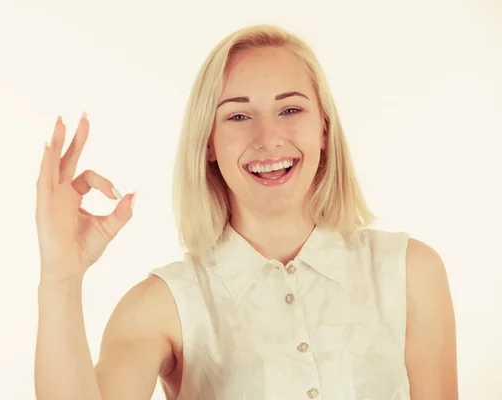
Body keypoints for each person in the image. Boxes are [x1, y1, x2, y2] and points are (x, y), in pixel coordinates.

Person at [34, 24, 458, 400]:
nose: (268, 138)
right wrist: (60, 279)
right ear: (209, 144)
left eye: (290, 109)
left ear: (324, 128)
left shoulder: (410, 271)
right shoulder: (162, 305)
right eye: (238, 115)